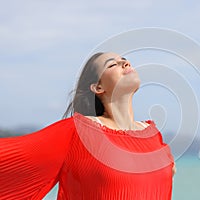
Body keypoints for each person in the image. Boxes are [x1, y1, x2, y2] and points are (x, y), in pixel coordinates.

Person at [0, 52, 175, 200]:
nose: (125, 63)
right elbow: (10, 157)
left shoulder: (152, 136)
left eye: (125, 60)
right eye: (113, 64)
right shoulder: (78, 132)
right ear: (98, 87)